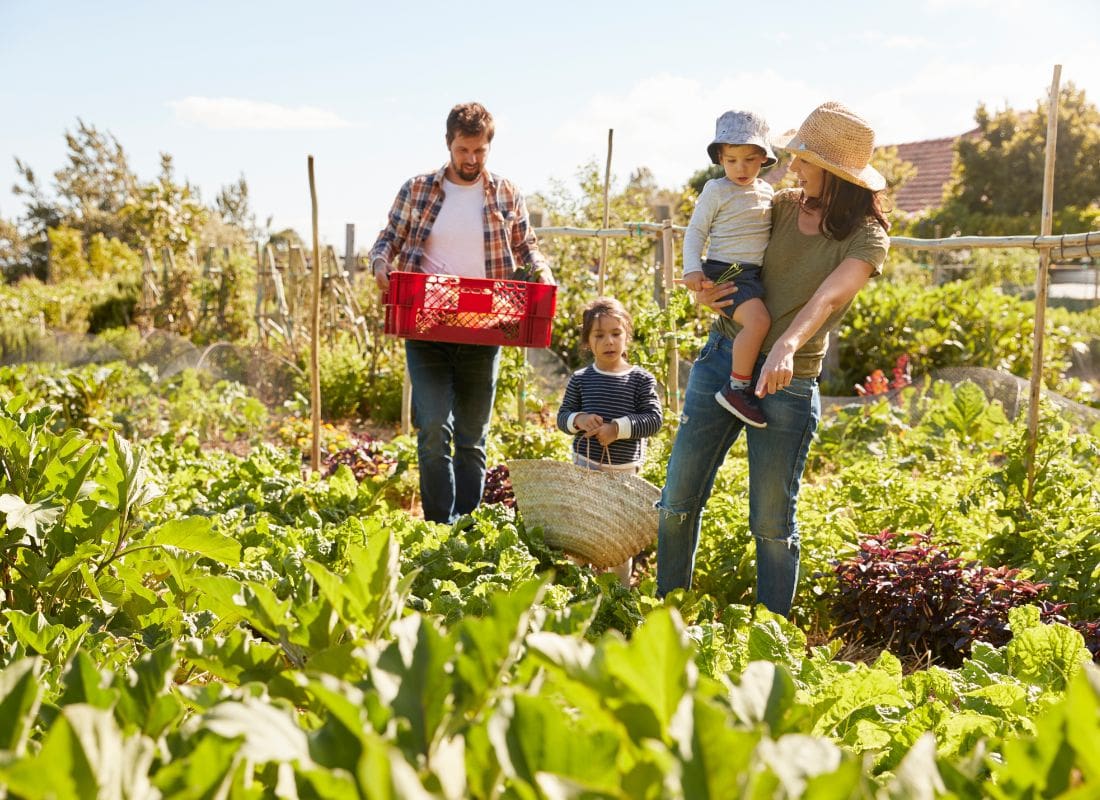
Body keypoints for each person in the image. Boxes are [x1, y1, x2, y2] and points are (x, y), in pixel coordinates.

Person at [657, 101, 890, 616]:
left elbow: (830, 296)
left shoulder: (867, 237)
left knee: (770, 524)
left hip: (788, 383)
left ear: (832, 172)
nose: (790, 167)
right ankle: (666, 618)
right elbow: (727, 252)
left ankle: (771, 637)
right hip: (723, 358)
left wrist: (786, 344)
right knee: (676, 502)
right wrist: (704, 287)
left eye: (803, 161)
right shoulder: (779, 205)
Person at [370, 101, 554, 524]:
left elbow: (528, 247)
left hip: (485, 327)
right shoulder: (418, 189)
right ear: (448, 144)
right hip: (428, 324)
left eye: (479, 152)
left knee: (472, 437)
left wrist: (541, 271)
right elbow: (388, 239)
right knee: (433, 427)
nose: (470, 160)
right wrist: (381, 264)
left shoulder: (505, 192)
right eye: (462, 151)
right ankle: (438, 525)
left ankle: (468, 525)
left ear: (489, 147)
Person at [556, 297, 663, 584]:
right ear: (587, 342)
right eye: (599, 335)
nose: (609, 342)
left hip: (624, 471)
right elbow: (562, 417)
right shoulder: (581, 379)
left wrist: (617, 428)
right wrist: (578, 420)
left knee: (619, 533)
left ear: (627, 336)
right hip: (585, 466)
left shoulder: (640, 380)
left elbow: (654, 419)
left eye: (616, 334)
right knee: (582, 526)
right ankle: (579, 584)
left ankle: (619, 589)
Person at [681, 110, 776, 428]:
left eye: (749, 159)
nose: (741, 168)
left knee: (758, 319)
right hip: (727, 271)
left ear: (763, 158)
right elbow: (696, 231)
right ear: (721, 157)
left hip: (751, 273)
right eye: (732, 160)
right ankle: (737, 388)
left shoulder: (767, 192)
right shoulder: (715, 190)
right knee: (758, 321)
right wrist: (693, 269)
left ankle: (738, 385)